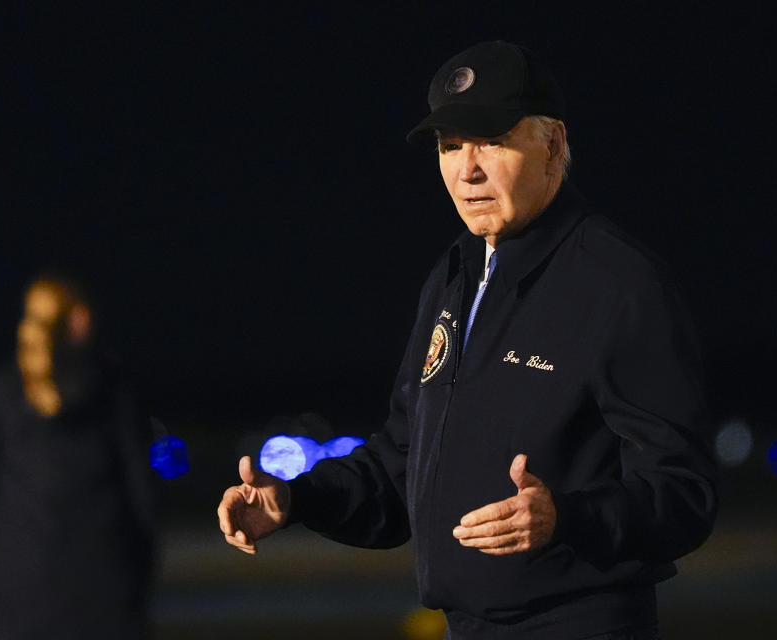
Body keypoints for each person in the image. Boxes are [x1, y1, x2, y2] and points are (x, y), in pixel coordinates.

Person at [218, 41, 718, 639]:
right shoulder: (453, 278)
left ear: (554, 144)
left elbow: (684, 494)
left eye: (491, 140)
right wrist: (297, 501)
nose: (467, 169)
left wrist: (567, 518)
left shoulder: (618, 285)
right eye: (450, 146)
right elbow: (401, 468)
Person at [0, 275, 156, 640]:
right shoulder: (115, 391)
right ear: (77, 319)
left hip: (13, 597)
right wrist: (139, 579)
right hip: (105, 593)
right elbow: (142, 496)